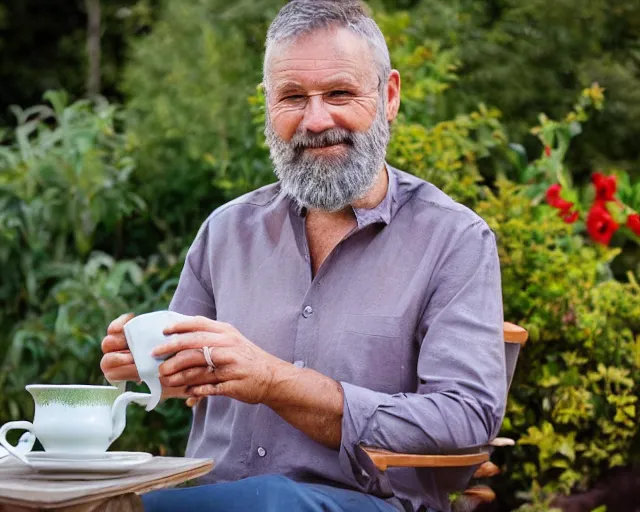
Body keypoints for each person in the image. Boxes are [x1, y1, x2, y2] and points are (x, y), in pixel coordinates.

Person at [100, 1, 506, 511]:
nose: (316, 120)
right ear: (268, 105)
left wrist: (274, 381)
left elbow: (466, 419)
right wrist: (143, 362)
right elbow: (188, 374)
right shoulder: (226, 230)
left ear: (390, 96)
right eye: (292, 97)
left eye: (339, 93)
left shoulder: (455, 239)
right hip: (217, 499)